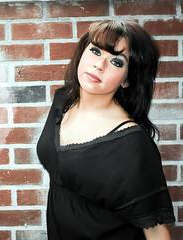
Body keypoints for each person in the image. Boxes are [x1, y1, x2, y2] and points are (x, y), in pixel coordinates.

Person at [36, 20, 175, 240]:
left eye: (117, 62)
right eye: (95, 51)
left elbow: (156, 230)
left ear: (127, 80)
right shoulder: (63, 102)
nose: (99, 65)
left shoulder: (132, 144)